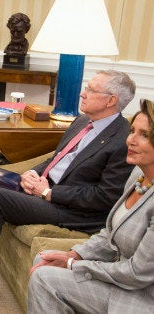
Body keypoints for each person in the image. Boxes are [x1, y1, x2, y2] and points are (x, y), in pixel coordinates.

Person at [0, 69, 136, 303]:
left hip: (72, 210)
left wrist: (49, 192)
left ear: (111, 100)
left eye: (90, 89)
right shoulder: (82, 121)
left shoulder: (122, 141)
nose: (82, 93)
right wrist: (32, 173)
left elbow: (104, 197)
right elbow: (56, 158)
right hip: (45, 186)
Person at [28, 98, 154, 313]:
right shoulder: (138, 176)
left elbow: (137, 273)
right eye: (132, 131)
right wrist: (76, 254)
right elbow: (110, 234)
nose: (130, 140)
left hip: (142, 294)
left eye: (144, 135)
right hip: (122, 277)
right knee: (45, 258)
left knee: (45, 277)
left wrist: (74, 265)